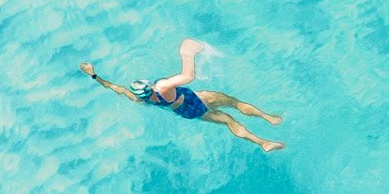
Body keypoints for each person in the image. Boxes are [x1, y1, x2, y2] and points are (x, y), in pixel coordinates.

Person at [80, 38, 283, 152]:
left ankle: (262, 142)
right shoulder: (162, 87)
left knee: (227, 121)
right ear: (149, 85)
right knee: (233, 104)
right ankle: (268, 120)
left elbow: (115, 88)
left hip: (189, 112)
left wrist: (93, 75)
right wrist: (187, 53)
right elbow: (188, 76)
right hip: (194, 98)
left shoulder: (139, 99)